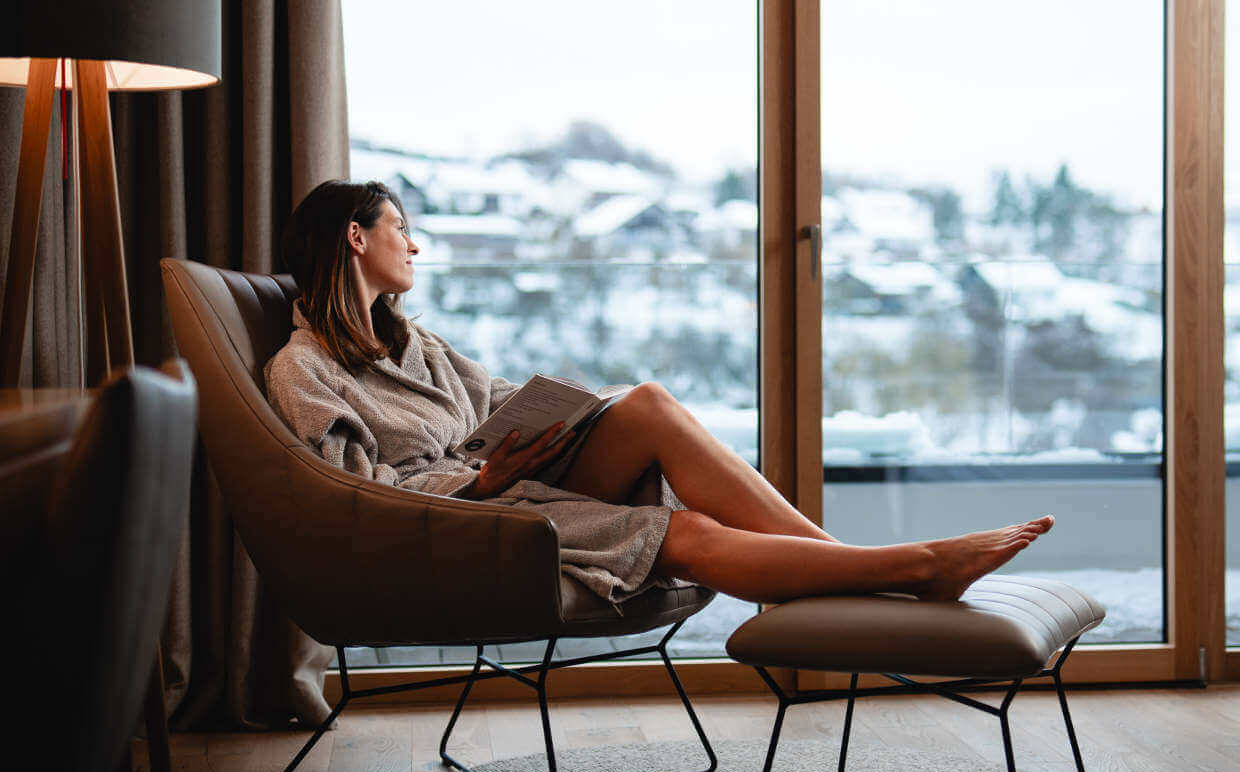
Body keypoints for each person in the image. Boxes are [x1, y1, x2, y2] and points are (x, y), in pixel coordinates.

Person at [265, 179, 1053, 607]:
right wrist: (480, 484)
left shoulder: (417, 345)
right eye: (400, 227)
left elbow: (493, 401)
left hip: (509, 483)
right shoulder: (304, 370)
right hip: (464, 523)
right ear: (357, 238)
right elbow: (352, 498)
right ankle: (910, 566)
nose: (415, 242)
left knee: (642, 404)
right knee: (691, 534)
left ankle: (855, 566)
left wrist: (570, 412)